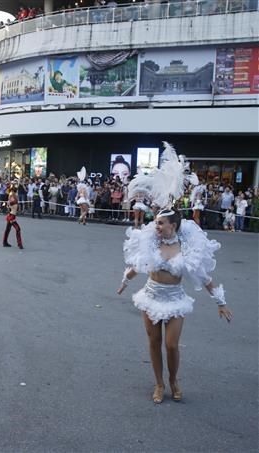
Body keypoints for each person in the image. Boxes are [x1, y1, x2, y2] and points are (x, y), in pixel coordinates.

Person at [119, 143, 232, 404]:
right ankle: (159, 384)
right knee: (153, 342)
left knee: (171, 344)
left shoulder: (187, 246)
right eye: (155, 221)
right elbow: (137, 265)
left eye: (160, 222)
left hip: (174, 298)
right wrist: (125, 280)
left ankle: (173, 380)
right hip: (150, 296)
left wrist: (221, 302)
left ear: (173, 225)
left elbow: (204, 276)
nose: (155, 225)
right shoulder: (151, 242)